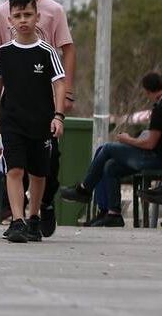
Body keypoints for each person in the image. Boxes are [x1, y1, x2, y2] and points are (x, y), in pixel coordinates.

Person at [0, 0, 75, 237]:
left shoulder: (54, 11)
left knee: (46, 166)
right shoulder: (1, 13)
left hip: (45, 106)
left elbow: (67, 51)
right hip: (14, 106)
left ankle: (42, 206)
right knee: (15, 166)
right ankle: (19, 218)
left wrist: (66, 96)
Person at [60, 72, 162, 226]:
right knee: (111, 166)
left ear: (147, 91)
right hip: (154, 155)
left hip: (154, 158)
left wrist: (128, 140)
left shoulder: (159, 108)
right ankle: (113, 213)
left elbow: (150, 144)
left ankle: (84, 190)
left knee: (107, 148)